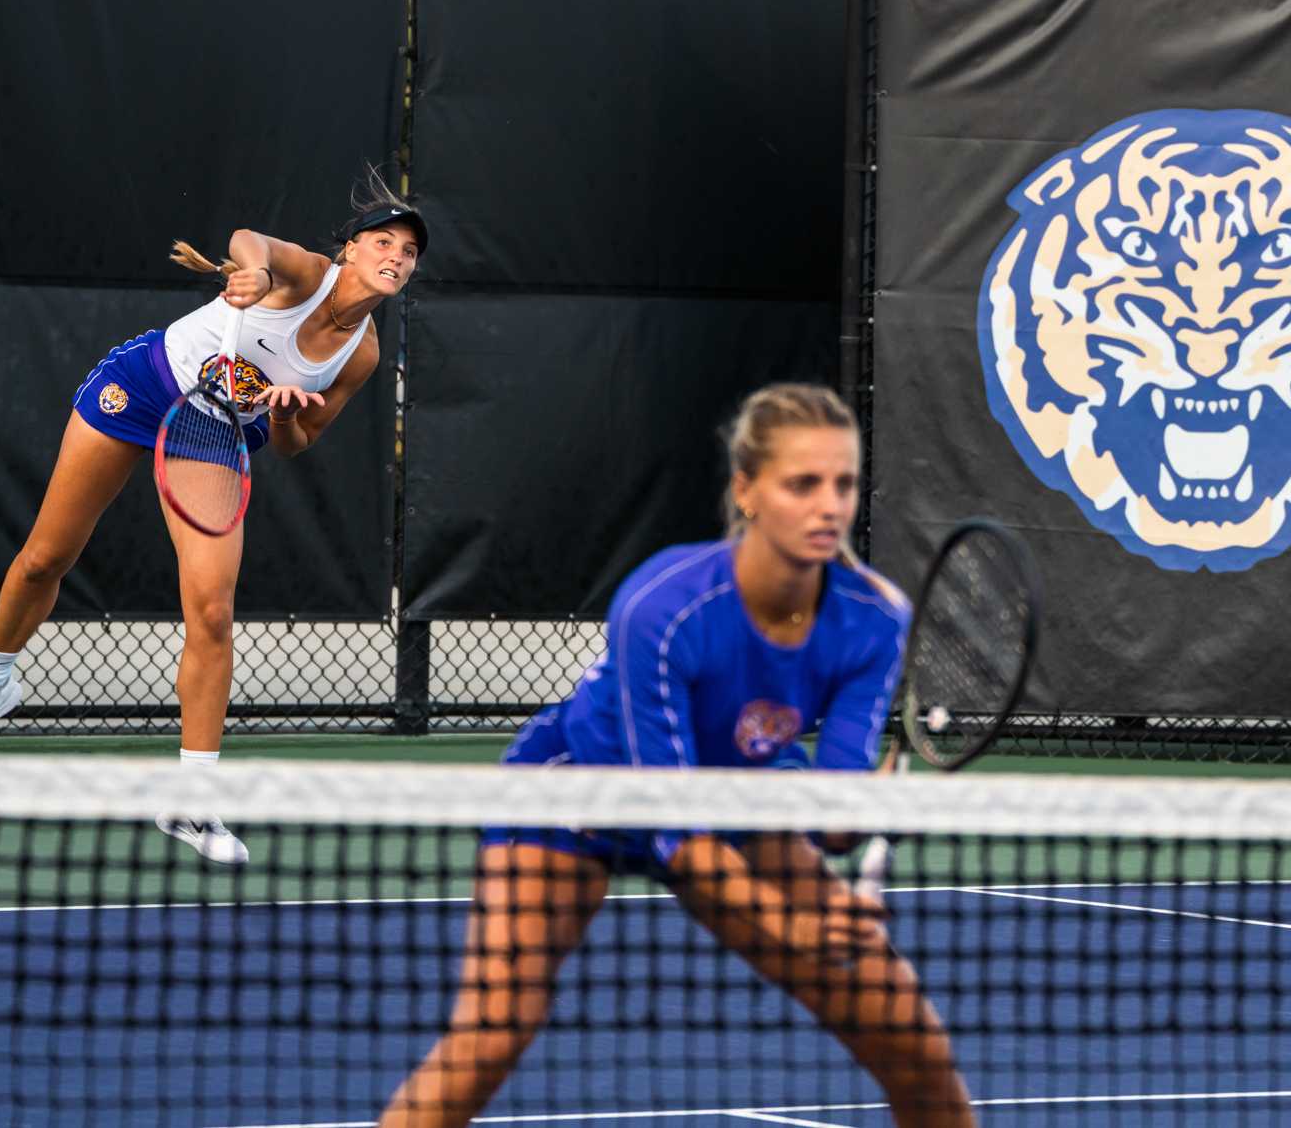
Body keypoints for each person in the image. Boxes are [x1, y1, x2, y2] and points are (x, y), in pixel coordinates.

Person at [379, 384, 976, 1128]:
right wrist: (795, 930)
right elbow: (680, 836)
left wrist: (864, 809)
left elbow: (833, 818)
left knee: (910, 1037)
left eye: (844, 483)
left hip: (737, 796)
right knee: (492, 1033)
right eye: (802, 483)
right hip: (577, 797)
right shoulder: (663, 604)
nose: (829, 505)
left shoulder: (874, 618)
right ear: (747, 491)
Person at [0, 170, 428, 866]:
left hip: (215, 431)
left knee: (214, 610)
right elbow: (250, 240)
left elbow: (298, 441)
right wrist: (253, 273)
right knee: (47, 556)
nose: (397, 257)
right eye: (385, 241)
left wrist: (286, 418)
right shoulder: (306, 273)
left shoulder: (365, 352)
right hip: (146, 382)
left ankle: (190, 798)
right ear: (350, 249)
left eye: (409, 252)